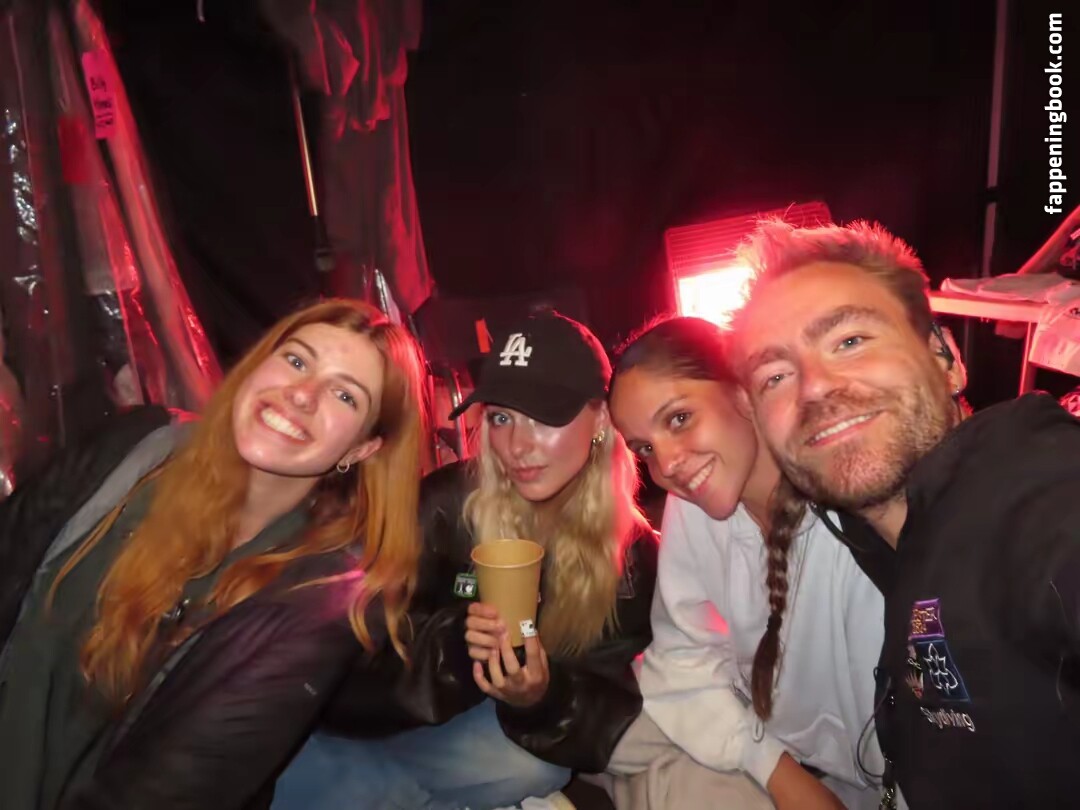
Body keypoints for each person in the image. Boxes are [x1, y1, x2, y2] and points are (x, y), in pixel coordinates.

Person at [0, 299, 428, 810]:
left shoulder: (317, 603)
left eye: (344, 395)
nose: (302, 394)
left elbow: (167, 789)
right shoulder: (135, 446)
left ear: (361, 450)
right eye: (296, 360)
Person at [730, 219, 1080, 808]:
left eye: (850, 341)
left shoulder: (1032, 488)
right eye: (776, 376)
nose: (813, 388)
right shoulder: (893, 543)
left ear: (945, 357)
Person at [274, 308, 658, 810]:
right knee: (327, 772)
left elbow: (605, 713)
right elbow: (345, 667)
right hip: (376, 731)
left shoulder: (633, 559)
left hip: (470, 740)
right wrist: (454, 647)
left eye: (544, 417)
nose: (517, 446)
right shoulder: (446, 503)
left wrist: (540, 696)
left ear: (601, 419)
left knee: (538, 766)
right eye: (501, 418)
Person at [604, 316, 886, 810]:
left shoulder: (854, 513)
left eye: (679, 419)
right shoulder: (694, 506)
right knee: (618, 743)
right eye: (644, 448)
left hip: (904, 779)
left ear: (743, 392)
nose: (666, 465)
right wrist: (778, 772)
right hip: (784, 758)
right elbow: (681, 655)